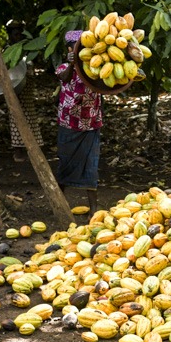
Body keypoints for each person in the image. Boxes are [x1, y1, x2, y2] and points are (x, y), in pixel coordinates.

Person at [54, 30, 109, 215]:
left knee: (91, 167)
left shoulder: (94, 68)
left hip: (91, 123)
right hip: (69, 124)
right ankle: (59, 205)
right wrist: (72, 63)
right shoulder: (63, 67)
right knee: (65, 164)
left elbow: (107, 83)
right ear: (70, 49)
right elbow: (64, 77)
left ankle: (94, 209)